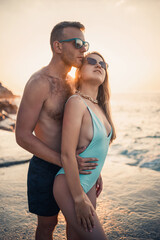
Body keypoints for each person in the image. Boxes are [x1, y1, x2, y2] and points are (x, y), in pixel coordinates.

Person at [15, 21, 102, 240]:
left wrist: (96, 168)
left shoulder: (75, 84)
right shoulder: (39, 83)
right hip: (46, 166)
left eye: (85, 43)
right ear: (58, 46)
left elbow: (83, 130)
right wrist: (64, 161)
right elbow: (22, 135)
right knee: (47, 226)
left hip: (78, 166)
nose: (83, 49)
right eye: (77, 43)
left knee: (78, 225)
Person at [53, 51, 116, 240]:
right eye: (91, 61)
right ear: (79, 72)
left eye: (103, 64)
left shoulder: (101, 109)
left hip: (89, 182)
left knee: (76, 237)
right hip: (70, 184)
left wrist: (97, 172)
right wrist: (79, 198)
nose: (98, 65)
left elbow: (93, 146)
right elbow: (66, 154)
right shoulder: (76, 102)